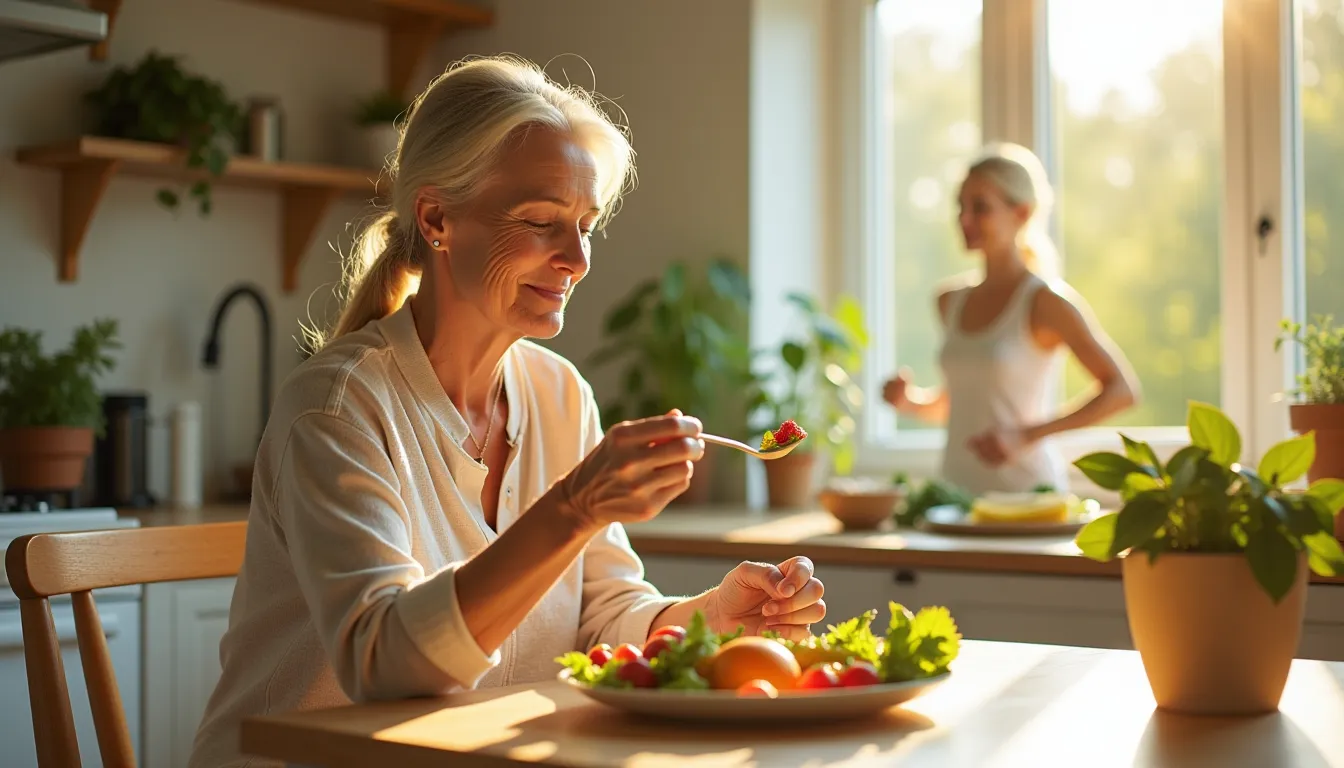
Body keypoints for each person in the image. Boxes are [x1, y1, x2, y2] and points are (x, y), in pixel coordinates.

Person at [188, 56, 826, 768]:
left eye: (586, 224)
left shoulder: (559, 395)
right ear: (436, 218)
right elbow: (384, 662)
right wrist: (574, 507)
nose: (578, 258)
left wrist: (712, 616)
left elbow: (601, 621)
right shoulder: (338, 408)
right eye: (542, 221)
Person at [881, 142, 1140, 496]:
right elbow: (962, 404)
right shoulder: (949, 302)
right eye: (960, 206)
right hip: (956, 499)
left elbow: (1122, 391)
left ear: (1021, 212)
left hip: (1028, 500)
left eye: (980, 207)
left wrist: (1025, 436)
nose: (964, 219)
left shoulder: (1046, 303)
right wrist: (908, 400)